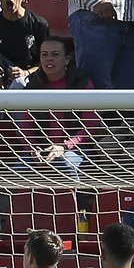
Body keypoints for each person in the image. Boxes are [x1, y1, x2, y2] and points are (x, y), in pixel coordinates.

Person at [21, 36, 98, 184]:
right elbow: (26, 128)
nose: (49, 59)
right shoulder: (33, 85)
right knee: (19, 169)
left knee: (64, 164)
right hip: (43, 150)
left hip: (77, 149)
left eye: (55, 55)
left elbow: (91, 126)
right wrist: (33, 148)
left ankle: (76, 206)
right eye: (44, 54)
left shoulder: (82, 83)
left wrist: (64, 146)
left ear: (67, 60)